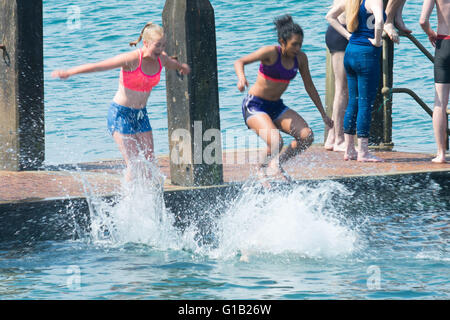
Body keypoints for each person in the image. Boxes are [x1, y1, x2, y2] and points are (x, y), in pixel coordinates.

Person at [52, 22, 191, 181]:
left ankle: (150, 200)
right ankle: (128, 203)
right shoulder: (131, 59)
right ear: (145, 43)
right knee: (134, 164)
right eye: (157, 45)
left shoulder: (162, 59)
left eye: (163, 45)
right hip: (120, 114)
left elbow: (172, 64)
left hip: (140, 115)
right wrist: (69, 72)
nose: (160, 49)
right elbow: (99, 67)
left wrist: (181, 67)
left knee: (150, 160)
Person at [234, 15, 333, 183]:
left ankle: (277, 164)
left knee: (306, 136)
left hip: (276, 107)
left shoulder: (301, 58)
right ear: (282, 41)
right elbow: (240, 61)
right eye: (294, 44)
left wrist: (323, 114)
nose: (297, 48)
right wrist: (241, 78)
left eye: (300, 44)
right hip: (255, 106)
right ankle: (260, 167)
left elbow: (309, 86)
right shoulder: (270, 53)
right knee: (276, 142)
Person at [327, 0, 386, 162]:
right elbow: (379, 21)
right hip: (367, 55)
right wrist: (378, 41)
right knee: (365, 103)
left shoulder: (351, 1)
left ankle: (349, 149)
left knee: (353, 102)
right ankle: (364, 152)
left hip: (350, 52)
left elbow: (330, 16)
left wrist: (347, 35)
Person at [420, 0, 450, 163]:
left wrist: (431, 33)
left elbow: (423, 21)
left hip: (444, 43)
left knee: (440, 103)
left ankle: (441, 154)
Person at [324, 0, 349, 152]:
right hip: (341, 33)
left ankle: (332, 136)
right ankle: (338, 139)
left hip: (339, 32)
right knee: (342, 90)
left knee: (342, 90)